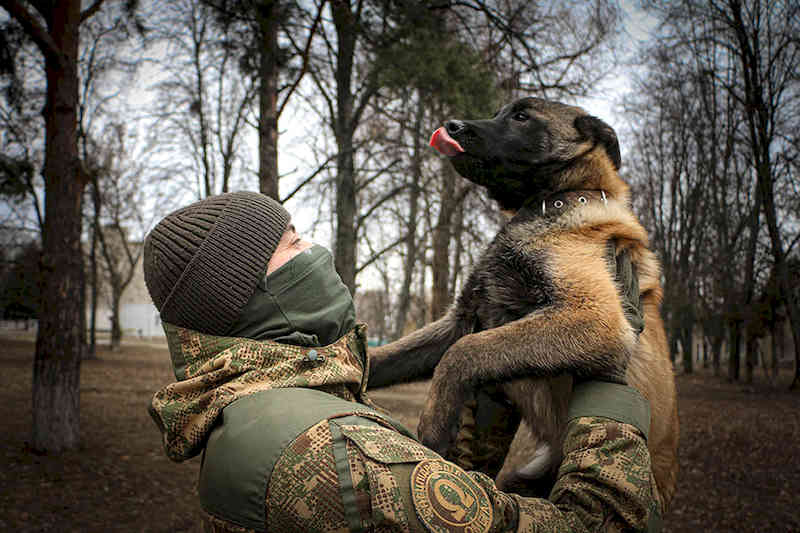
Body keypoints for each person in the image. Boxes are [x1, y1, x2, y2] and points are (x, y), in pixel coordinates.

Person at [144, 191, 660, 533]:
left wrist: (494, 368)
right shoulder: (338, 455)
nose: (314, 249)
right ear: (250, 292)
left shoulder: (255, 408)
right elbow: (604, 525)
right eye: (293, 242)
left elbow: (441, 498)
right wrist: (605, 382)